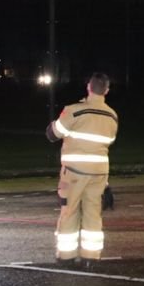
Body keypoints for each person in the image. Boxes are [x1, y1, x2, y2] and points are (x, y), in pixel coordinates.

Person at [46, 72, 118, 266]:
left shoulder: (75, 111)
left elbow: (53, 133)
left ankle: (67, 256)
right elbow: (108, 142)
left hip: (75, 173)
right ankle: (91, 257)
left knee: (69, 212)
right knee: (93, 214)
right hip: (99, 174)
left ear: (88, 87)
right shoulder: (112, 115)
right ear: (107, 90)